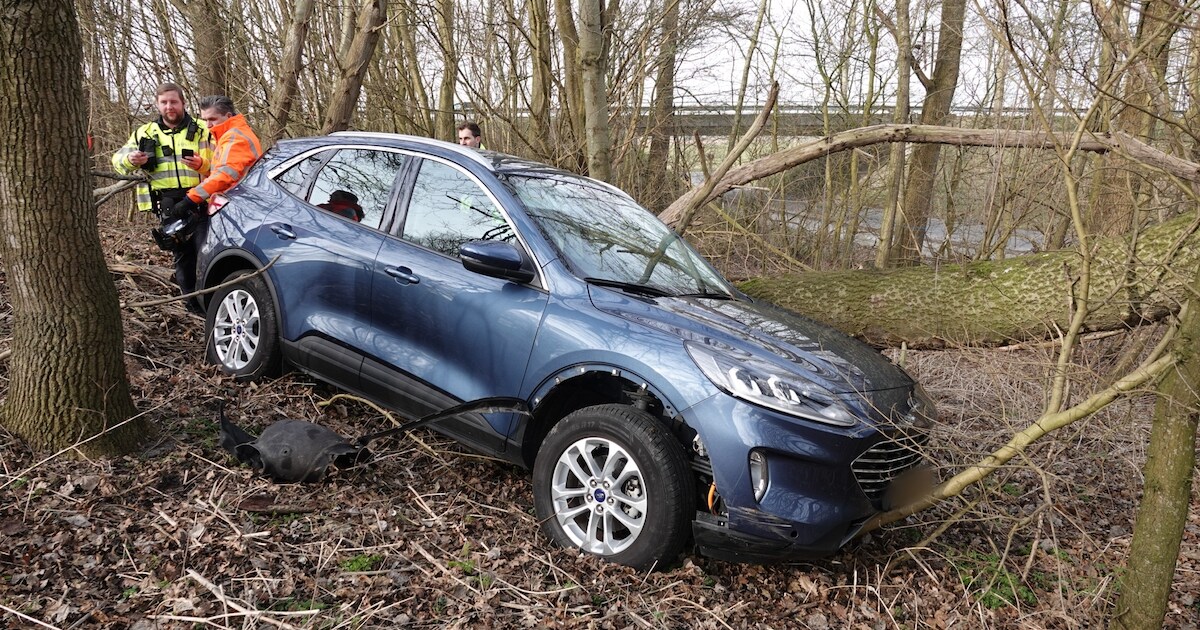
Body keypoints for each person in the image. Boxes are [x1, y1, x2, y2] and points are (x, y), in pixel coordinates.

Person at [112, 83, 215, 302]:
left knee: (206, 253)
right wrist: (130, 160)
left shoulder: (202, 129)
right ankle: (190, 303)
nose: (169, 107)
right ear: (158, 105)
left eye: (174, 102)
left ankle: (210, 302)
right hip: (167, 203)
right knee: (182, 256)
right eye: (164, 102)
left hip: (201, 199)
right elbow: (117, 162)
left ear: (183, 103)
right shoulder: (145, 133)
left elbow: (223, 164)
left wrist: (202, 164)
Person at [166, 95, 263, 311]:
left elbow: (226, 176)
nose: (208, 125)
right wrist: (202, 166)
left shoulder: (234, 137)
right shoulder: (227, 135)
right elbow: (226, 170)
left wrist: (191, 198)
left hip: (237, 210)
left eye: (212, 119)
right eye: (205, 120)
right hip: (234, 208)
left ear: (228, 116)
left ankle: (212, 307)